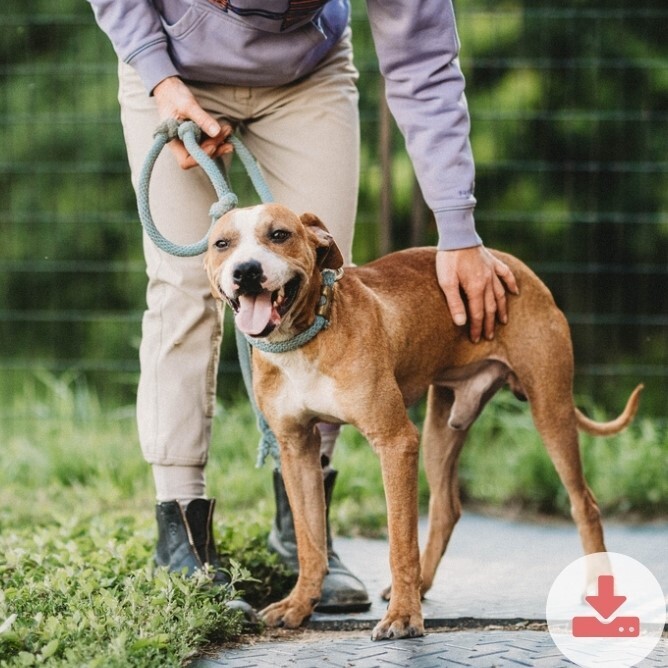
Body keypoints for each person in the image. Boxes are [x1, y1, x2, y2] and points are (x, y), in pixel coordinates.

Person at [86, 0, 518, 615]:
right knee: (183, 287)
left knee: (323, 293)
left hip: (306, 71)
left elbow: (423, 58)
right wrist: (158, 73)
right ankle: (180, 535)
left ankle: (304, 538)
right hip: (172, 61)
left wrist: (458, 229)